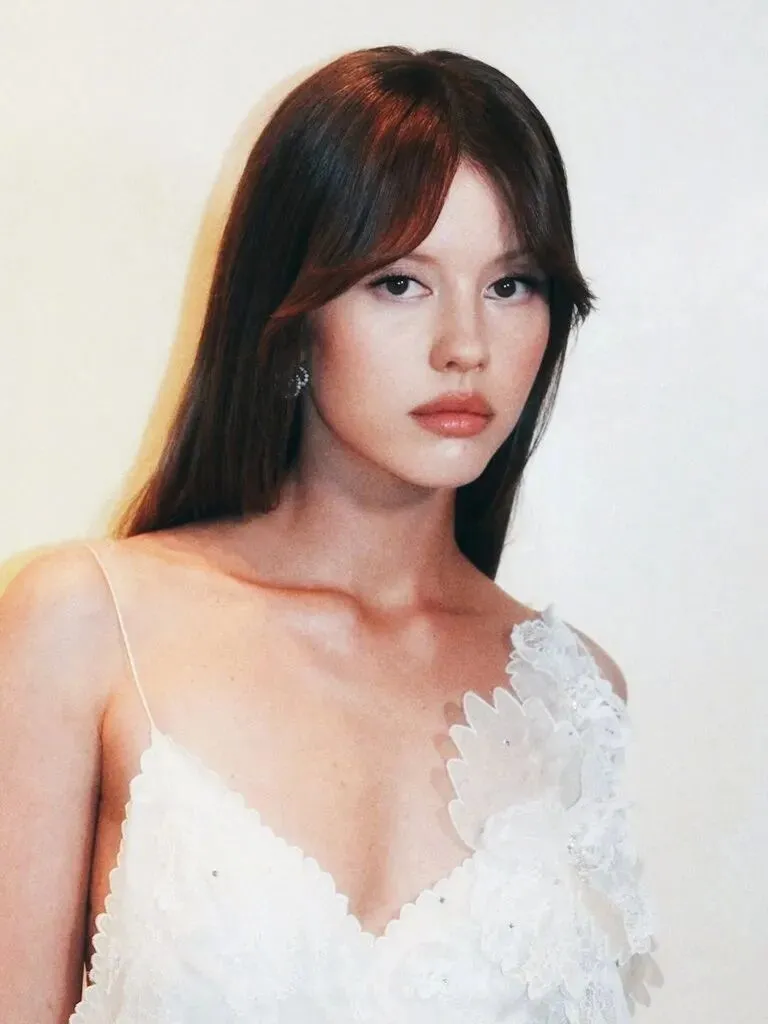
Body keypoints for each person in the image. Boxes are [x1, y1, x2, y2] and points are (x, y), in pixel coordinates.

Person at [0, 45, 656, 1023]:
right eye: (399, 283)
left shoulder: (578, 694)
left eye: (511, 284)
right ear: (293, 313)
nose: (465, 346)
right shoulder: (86, 623)